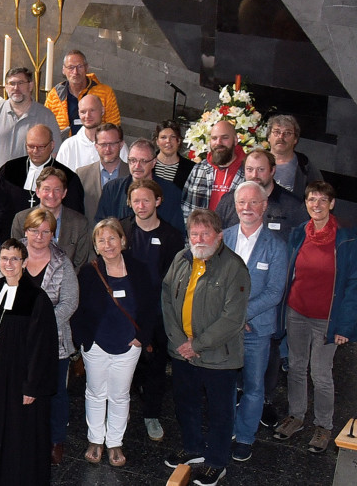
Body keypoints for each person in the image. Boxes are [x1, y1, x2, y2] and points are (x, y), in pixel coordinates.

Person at [273, 181, 357, 455]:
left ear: (332, 204)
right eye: (312, 200)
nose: (317, 205)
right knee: (297, 367)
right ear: (306, 203)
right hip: (297, 312)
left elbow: (354, 285)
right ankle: (296, 416)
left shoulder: (346, 238)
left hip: (327, 319)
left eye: (323, 200)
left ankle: (323, 425)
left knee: (321, 373)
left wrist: (344, 326)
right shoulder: (299, 232)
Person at [161, 209, 249, 486]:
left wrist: (197, 345)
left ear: (219, 236)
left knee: (220, 412)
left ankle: (216, 462)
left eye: (205, 233)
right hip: (182, 353)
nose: (199, 239)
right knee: (185, 403)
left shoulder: (234, 267)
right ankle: (193, 447)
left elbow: (233, 318)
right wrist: (179, 342)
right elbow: (166, 299)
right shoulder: (181, 259)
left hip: (218, 356)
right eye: (194, 233)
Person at [0, 239, 59, 485]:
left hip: (21, 379)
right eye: (4, 259)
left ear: (24, 262)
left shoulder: (36, 297)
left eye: (14, 259)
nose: (8, 264)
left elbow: (42, 346)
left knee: (19, 434)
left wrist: (32, 385)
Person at [69, 219, 154, 467]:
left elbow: (149, 307)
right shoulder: (88, 272)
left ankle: (115, 442)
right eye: (102, 240)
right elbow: (78, 309)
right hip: (96, 344)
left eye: (112, 238)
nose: (108, 245)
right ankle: (95, 439)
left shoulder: (138, 269)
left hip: (129, 345)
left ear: (122, 240)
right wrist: (85, 340)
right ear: (95, 245)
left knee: (119, 394)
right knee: (95, 392)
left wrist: (141, 339)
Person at [218, 181, 289, 462]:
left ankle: (245, 437)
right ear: (235, 206)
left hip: (256, 329)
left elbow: (274, 292)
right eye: (242, 202)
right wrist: (229, 318)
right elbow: (213, 282)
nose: (247, 208)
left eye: (253, 202)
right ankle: (225, 430)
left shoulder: (276, 246)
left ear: (265, 206)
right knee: (222, 384)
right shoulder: (222, 238)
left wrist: (241, 315)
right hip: (223, 330)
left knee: (253, 387)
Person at [11, 207, 80, 463]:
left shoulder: (62, 261)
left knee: (55, 393)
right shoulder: (12, 254)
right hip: (17, 338)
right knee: (19, 390)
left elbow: (70, 302)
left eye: (46, 231)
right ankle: (23, 437)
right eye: (34, 230)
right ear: (25, 230)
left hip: (53, 340)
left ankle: (55, 441)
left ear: (53, 233)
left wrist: (42, 324)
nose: (39, 236)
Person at [119, 178, 183, 442]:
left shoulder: (172, 236)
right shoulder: (121, 228)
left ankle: (151, 415)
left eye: (146, 200)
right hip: (124, 311)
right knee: (124, 366)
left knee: (155, 368)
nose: (141, 205)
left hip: (157, 315)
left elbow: (173, 280)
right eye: (136, 200)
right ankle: (122, 413)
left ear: (158, 201)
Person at [0, 123, 88, 215]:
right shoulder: (9, 169)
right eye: (31, 146)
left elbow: (74, 215)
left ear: (52, 145)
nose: (35, 151)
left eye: (41, 147)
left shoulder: (68, 177)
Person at [96, 139, 186, 232]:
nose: (137, 166)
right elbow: (101, 227)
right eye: (133, 160)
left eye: (143, 161)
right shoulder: (112, 189)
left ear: (154, 162)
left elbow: (177, 232)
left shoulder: (171, 192)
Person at [11, 168, 94, 268]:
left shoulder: (79, 223)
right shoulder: (21, 219)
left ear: (64, 193)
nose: (51, 195)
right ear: (37, 192)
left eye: (57, 190)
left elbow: (80, 264)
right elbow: (16, 257)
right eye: (47, 189)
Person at [215, 151, 308, 239]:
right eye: (249, 169)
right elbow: (214, 236)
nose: (254, 175)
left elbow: (300, 245)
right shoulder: (229, 201)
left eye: (261, 169)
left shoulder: (293, 205)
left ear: (272, 171)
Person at [45, 49, 121, 135]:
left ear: (86, 68)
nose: (75, 72)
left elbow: (114, 129)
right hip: (65, 146)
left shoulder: (105, 93)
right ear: (63, 70)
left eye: (79, 66)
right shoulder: (54, 95)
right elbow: (45, 127)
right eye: (70, 67)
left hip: (97, 146)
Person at [182, 120, 246, 214]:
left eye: (224, 138)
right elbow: (186, 207)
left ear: (235, 140)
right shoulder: (199, 169)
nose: (218, 142)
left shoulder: (248, 171)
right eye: (214, 138)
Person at [55, 95, 127, 171]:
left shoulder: (117, 144)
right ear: (78, 114)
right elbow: (59, 178)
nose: (87, 116)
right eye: (83, 112)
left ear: (102, 111)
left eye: (92, 110)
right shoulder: (68, 146)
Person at [76, 123, 130, 216]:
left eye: (112, 144)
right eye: (103, 144)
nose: (108, 149)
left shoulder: (133, 175)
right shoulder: (81, 175)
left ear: (121, 145)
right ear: (96, 146)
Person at [265, 115, 323, 196]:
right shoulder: (255, 162)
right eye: (276, 132)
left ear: (295, 139)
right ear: (268, 136)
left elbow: (320, 197)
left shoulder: (305, 167)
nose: (281, 137)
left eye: (287, 133)